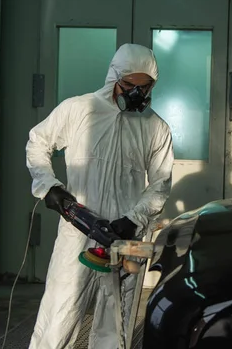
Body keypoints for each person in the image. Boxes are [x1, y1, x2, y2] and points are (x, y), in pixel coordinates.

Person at [26, 43, 174, 349]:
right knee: (59, 315)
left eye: (144, 87)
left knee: (116, 324)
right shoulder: (78, 110)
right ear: (113, 78)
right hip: (78, 229)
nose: (136, 93)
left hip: (127, 236)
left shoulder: (156, 127)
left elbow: (160, 182)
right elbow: (38, 142)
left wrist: (134, 220)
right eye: (129, 85)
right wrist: (50, 186)